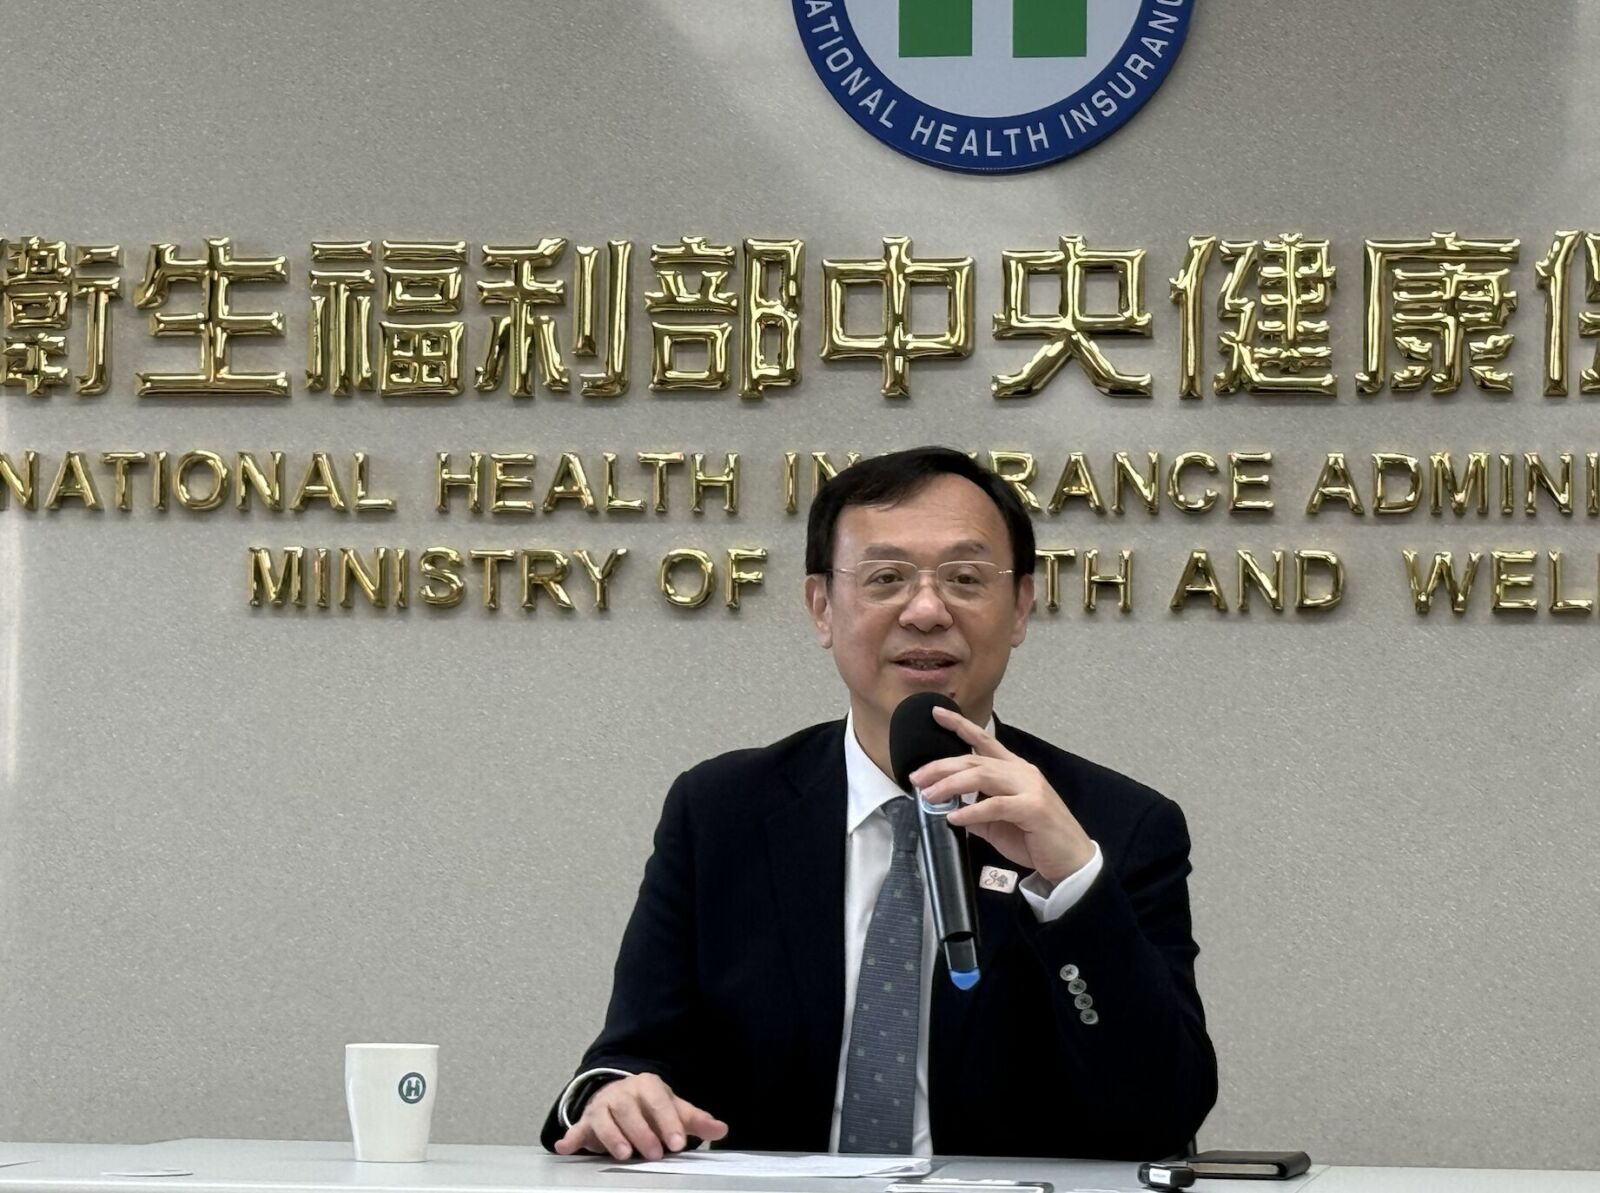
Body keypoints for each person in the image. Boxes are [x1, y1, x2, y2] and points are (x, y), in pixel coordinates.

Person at [539, 446, 1217, 1160]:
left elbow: (1163, 1114)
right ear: (821, 607)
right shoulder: (720, 812)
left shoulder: (1117, 827)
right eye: (886, 578)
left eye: (965, 578)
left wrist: (1074, 887)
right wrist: (614, 1096)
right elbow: (629, 1057)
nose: (925, 611)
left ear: (1020, 606)